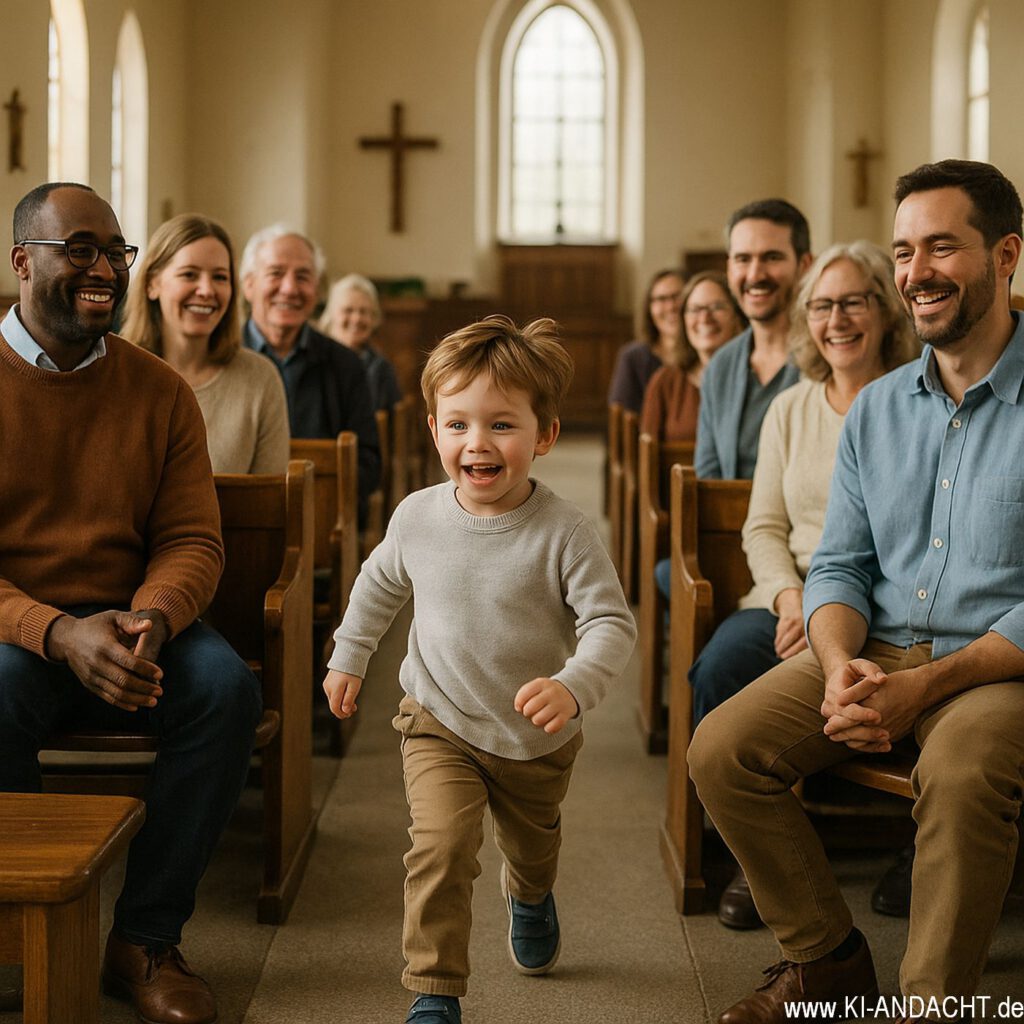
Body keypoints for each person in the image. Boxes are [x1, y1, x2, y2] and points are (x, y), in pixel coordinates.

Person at [689, 159, 1024, 1022]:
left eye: (942, 247)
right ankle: (827, 963)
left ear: (1007, 255)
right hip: (873, 644)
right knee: (722, 748)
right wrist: (838, 663)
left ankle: (932, 1007)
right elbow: (838, 563)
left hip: (995, 666)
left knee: (959, 769)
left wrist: (927, 687)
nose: (916, 272)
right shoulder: (875, 410)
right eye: (904, 250)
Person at [323, 315, 636, 1024]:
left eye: (502, 425)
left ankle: (528, 895)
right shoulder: (417, 517)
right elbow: (377, 586)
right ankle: (434, 992)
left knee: (531, 851)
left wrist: (573, 685)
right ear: (434, 431)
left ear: (544, 436)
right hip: (439, 719)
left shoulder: (567, 532)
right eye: (459, 424)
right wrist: (350, 654)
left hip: (535, 738)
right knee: (439, 848)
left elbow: (611, 625)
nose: (478, 443)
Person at [0, 182, 262, 1024]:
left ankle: (144, 938)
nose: (104, 269)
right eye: (79, 249)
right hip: (20, 632)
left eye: (115, 252)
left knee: (225, 691)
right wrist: (58, 632)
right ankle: (21, 926)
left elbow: (193, 538)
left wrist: (150, 619)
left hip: (136, 622)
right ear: (20, 262)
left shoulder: (158, 391)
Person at [691, 241, 918, 931]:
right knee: (722, 665)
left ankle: (917, 845)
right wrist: (792, 598)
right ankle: (745, 856)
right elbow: (761, 526)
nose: (837, 319)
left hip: (884, 604)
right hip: (785, 593)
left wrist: (837, 611)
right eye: (822, 306)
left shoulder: (919, 398)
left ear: (884, 310)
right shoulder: (790, 409)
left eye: (853, 302)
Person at [122, 213, 290, 473]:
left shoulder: (261, 378)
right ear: (152, 284)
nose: (207, 290)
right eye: (189, 274)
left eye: (220, 277)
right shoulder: (116, 373)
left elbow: (268, 502)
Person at [240, 223, 380, 522]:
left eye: (303, 277)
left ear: (316, 291)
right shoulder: (220, 358)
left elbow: (369, 463)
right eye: (276, 273)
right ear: (248, 284)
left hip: (323, 527)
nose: (290, 288)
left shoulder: (346, 365)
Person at [695, 199, 812, 479]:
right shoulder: (721, 366)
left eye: (772, 257)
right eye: (743, 259)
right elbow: (707, 479)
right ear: (729, 267)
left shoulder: (827, 359)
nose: (755, 275)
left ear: (805, 265)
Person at [640, 270, 746, 441]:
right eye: (695, 309)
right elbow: (646, 458)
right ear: (684, 320)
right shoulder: (664, 382)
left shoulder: (753, 379)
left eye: (717, 307)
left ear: (737, 316)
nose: (704, 318)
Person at [318, 272, 402, 412]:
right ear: (331, 315)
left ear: (374, 318)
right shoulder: (313, 361)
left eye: (363, 312)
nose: (356, 319)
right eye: (348, 310)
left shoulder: (381, 369)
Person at [608, 268, 686, 414]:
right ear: (649, 308)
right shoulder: (632, 357)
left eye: (677, 297)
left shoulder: (706, 355)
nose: (671, 306)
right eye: (661, 299)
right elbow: (621, 417)